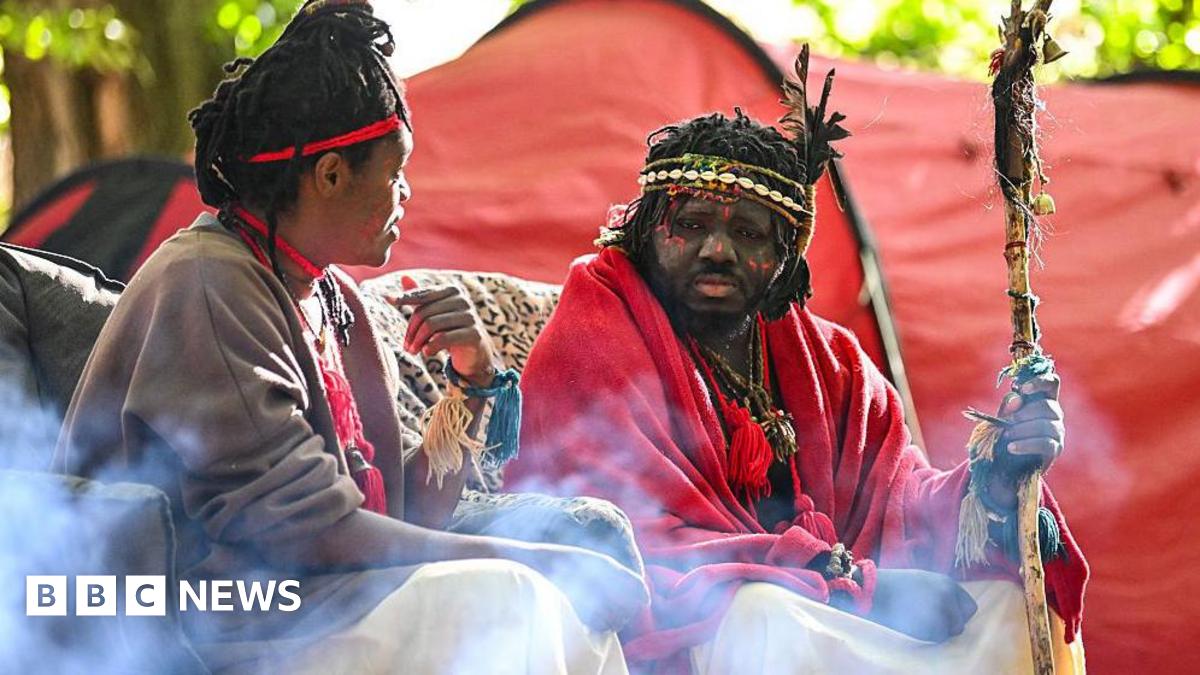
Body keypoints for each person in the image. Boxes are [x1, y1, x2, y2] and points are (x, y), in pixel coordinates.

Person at [53, 2, 646, 673]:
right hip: (189, 618)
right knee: (514, 592)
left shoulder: (334, 301)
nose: (406, 194)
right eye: (393, 173)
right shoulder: (209, 284)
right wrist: (540, 557)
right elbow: (317, 532)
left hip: (313, 598)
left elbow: (409, 510)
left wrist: (473, 382)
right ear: (331, 174)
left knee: (576, 617)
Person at [507, 52, 1088, 674]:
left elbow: (902, 505)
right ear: (649, 231)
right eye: (693, 224)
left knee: (1004, 603)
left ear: (786, 260)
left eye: (750, 234)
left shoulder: (832, 362)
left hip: (826, 600)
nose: (717, 250)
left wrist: (997, 475)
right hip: (686, 624)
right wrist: (847, 584)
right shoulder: (595, 331)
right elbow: (630, 536)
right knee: (762, 609)